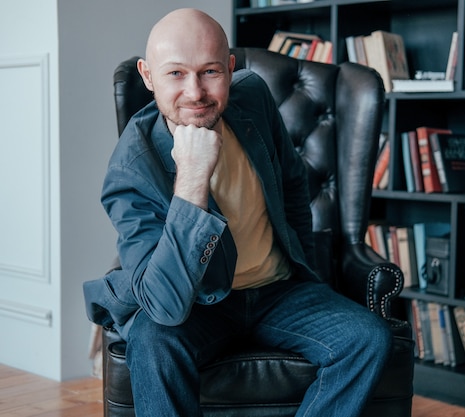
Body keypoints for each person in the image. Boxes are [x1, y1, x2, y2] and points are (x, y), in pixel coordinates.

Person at [83, 8, 392, 417]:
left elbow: (293, 185)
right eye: (176, 73)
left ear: (230, 69)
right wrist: (192, 178)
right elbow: (165, 305)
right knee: (152, 339)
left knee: (368, 338)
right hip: (196, 305)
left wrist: (304, 264)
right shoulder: (130, 169)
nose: (195, 92)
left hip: (279, 290)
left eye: (209, 71)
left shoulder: (253, 97)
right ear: (147, 75)